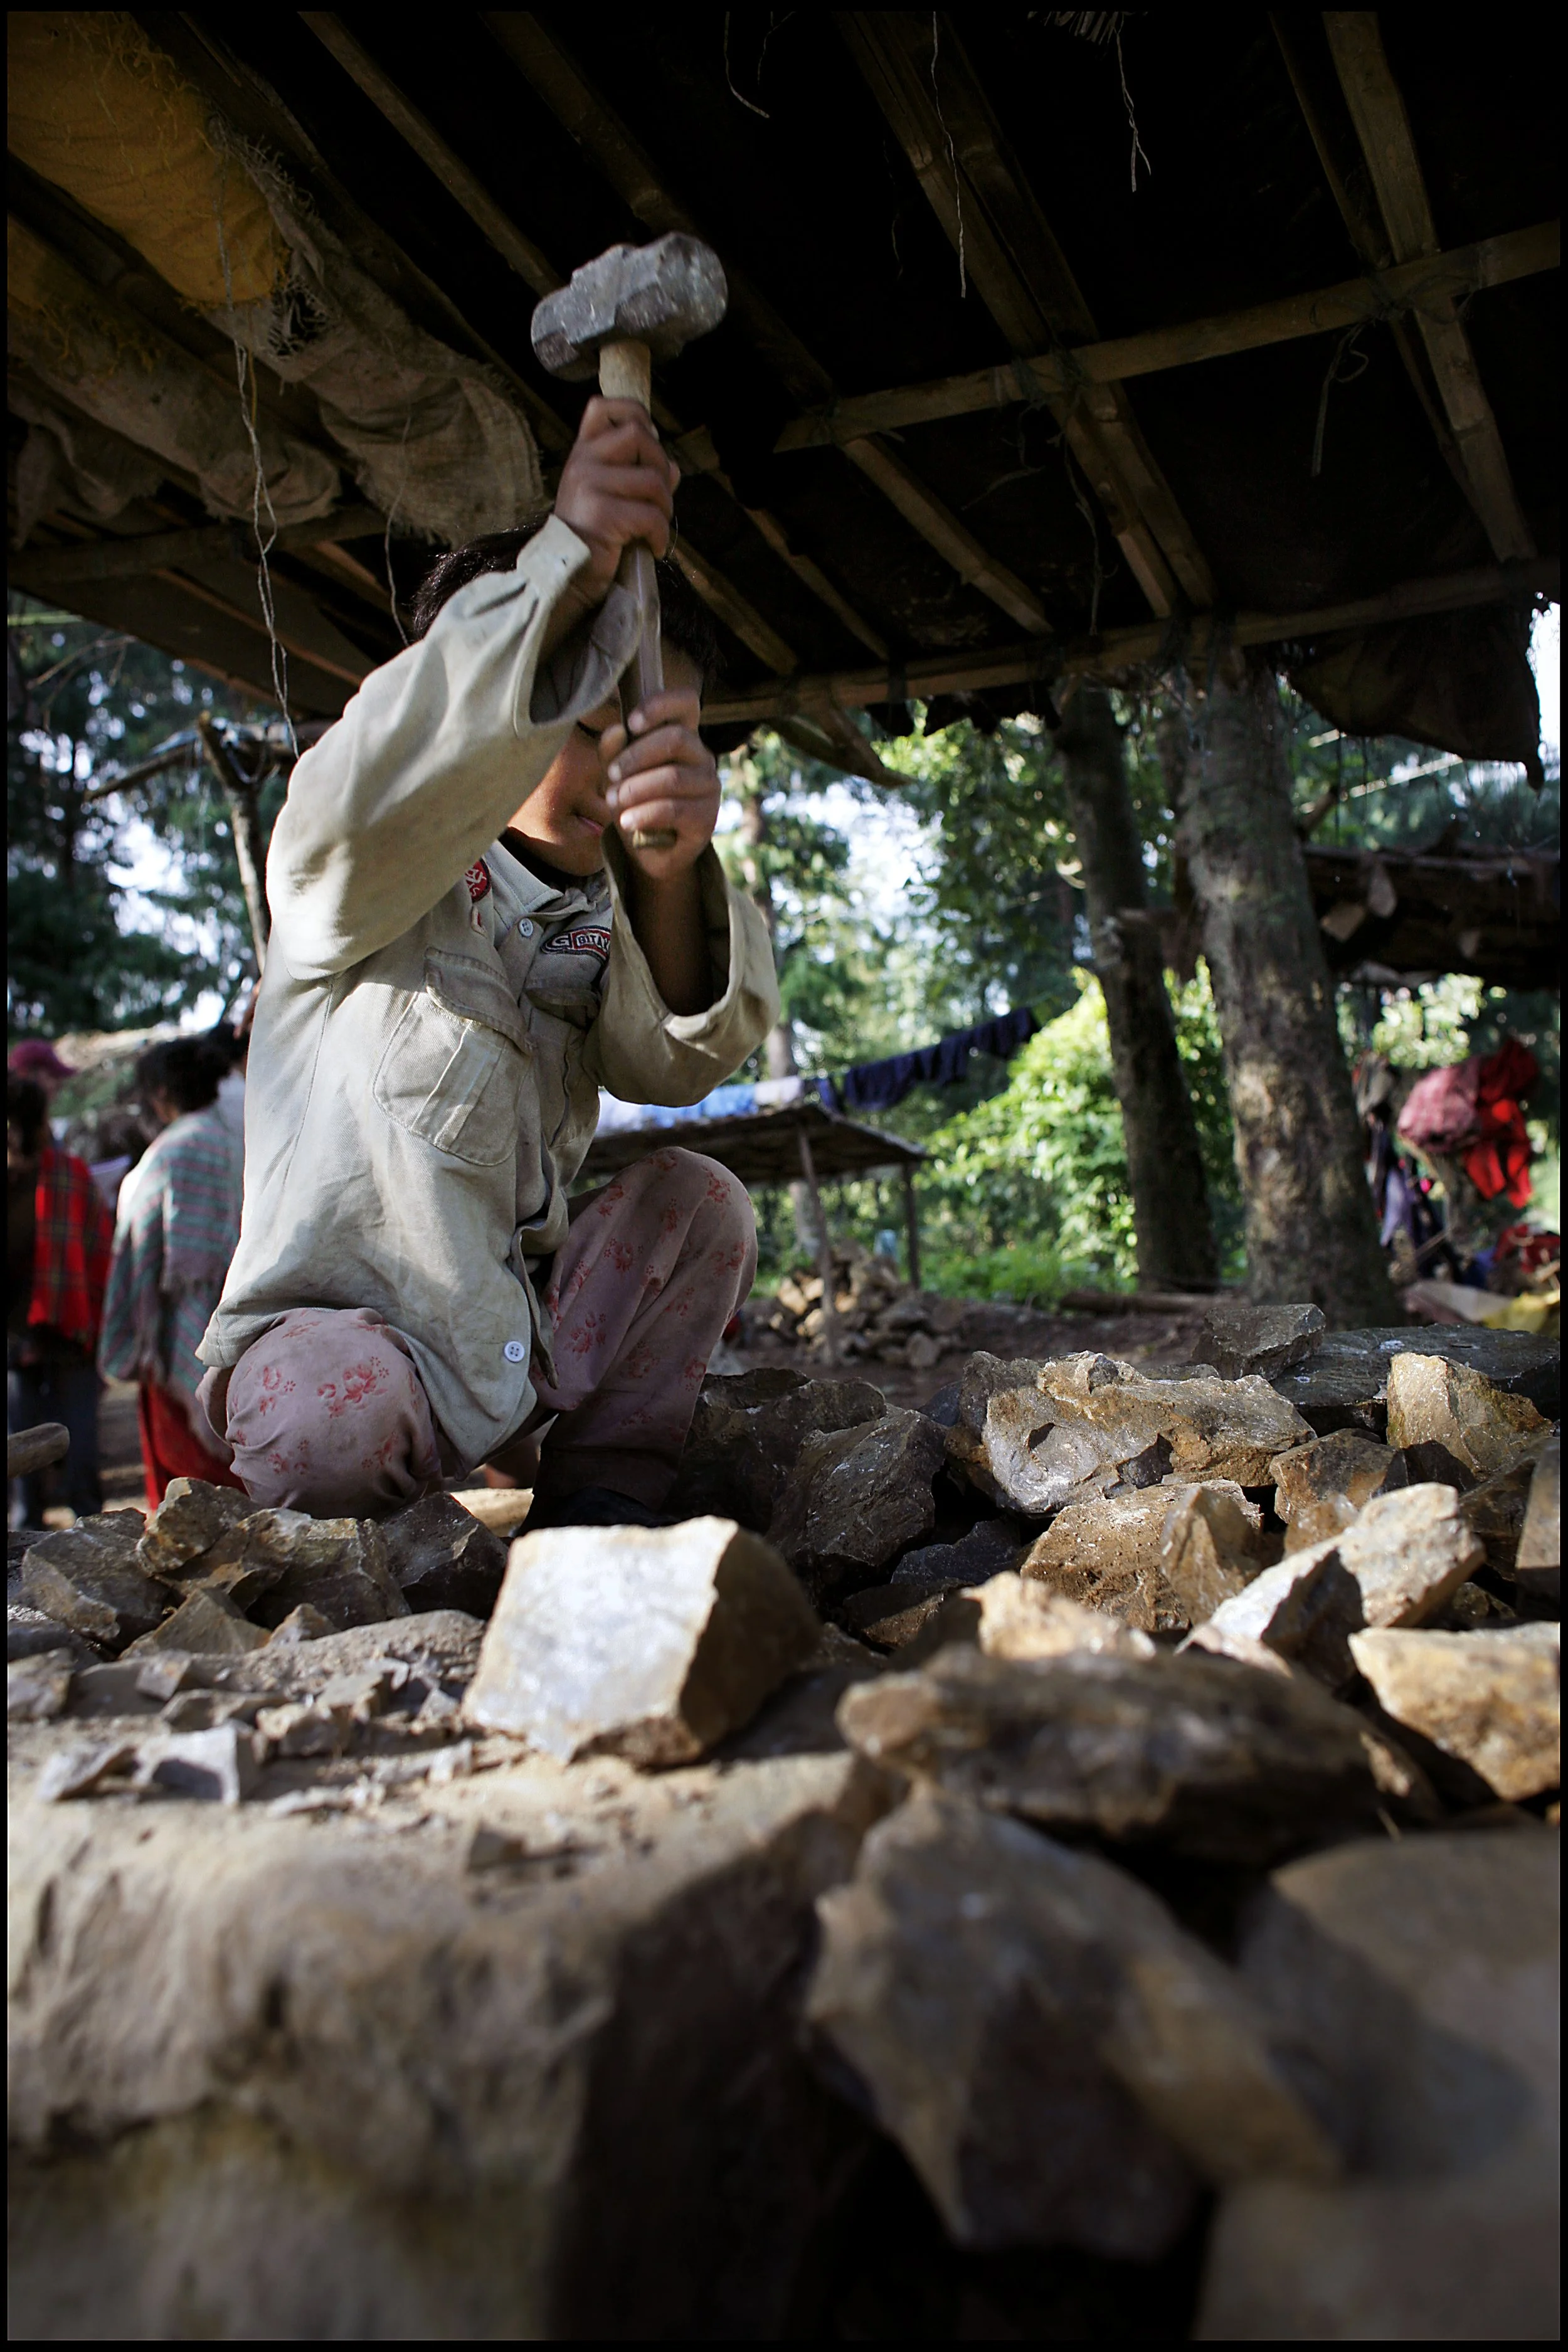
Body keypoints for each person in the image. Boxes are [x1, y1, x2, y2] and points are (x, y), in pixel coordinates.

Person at [195, 391, 777, 1527]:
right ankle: (352, 1538)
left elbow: (677, 1063)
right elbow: (392, 770)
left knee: (702, 1205)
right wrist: (570, 562)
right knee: (328, 1419)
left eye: (662, 731)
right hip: (343, 1358)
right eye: (587, 713)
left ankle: (598, 1506)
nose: (627, 758)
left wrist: (666, 875)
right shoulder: (354, 878)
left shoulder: (609, 918)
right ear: (482, 703)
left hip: (513, 1344)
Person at [98, 1038, 245, 1509]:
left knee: (188, 1494)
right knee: (244, 1470)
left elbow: (136, 1258)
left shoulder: (165, 1157)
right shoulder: (238, 1138)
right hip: (243, 1330)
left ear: (161, 1095)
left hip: (178, 1341)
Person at [8, 1073, 112, 1528]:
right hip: (18, 1339)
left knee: (77, 1448)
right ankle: (25, 1546)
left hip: (68, 1332)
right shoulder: (60, 1175)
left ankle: (93, 1539)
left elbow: (99, 1252)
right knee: (21, 1460)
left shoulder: (70, 1176)